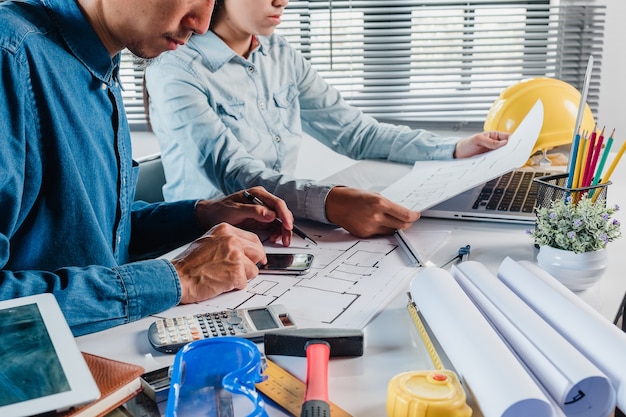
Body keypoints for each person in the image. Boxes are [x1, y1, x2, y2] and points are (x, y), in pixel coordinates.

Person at [0, 0, 299, 336]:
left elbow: (97, 236)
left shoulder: (102, 63)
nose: (202, 25)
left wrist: (200, 216)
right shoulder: (9, 57)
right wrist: (178, 278)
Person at [145, 0, 510, 239]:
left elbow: (352, 131)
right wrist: (330, 201)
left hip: (282, 228)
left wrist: (453, 147)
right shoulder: (173, 69)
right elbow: (238, 173)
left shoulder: (278, 53)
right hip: (206, 241)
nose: (282, 1)